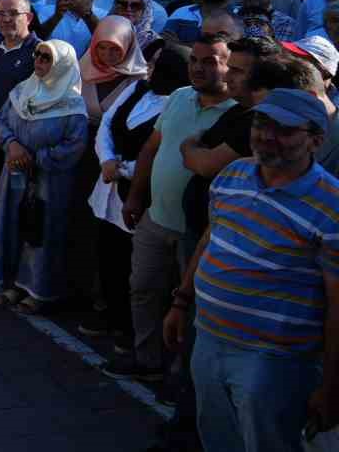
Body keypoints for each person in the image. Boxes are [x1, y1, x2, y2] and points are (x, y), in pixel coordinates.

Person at [166, 88, 339, 451]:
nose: (266, 135)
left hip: (273, 361)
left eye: (285, 129)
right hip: (209, 339)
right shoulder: (233, 175)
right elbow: (211, 239)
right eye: (262, 123)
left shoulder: (332, 204)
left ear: (316, 140)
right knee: (217, 440)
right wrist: (181, 302)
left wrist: (331, 385)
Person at [104, 32, 237, 383]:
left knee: (188, 306)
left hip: (198, 232)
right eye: (194, 59)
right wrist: (134, 197)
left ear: (230, 65)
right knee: (143, 288)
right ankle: (147, 358)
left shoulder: (238, 115)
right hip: (156, 218)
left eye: (210, 61)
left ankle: (182, 376)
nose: (198, 68)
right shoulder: (178, 97)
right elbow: (151, 148)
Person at [83, 45, 191, 352]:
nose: (149, 68)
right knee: (108, 256)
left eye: (157, 64)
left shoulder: (179, 104)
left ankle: (133, 330)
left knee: (136, 268)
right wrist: (107, 160)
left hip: (138, 193)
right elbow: (107, 124)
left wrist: (124, 170)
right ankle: (111, 315)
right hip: (109, 185)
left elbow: (162, 151)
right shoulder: (137, 88)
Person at [0, 39, 91, 312]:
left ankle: (38, 291)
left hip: (50, 182)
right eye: (38, 56)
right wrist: (12, 145)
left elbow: (74, 145)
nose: (39, 62)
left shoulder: (73, 104)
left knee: (42, 232)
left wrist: (37, 159)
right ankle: (11, 284)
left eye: (47, 58)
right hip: (15, 175)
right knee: (12, 224)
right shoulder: (23, 90)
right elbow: (2, 120)